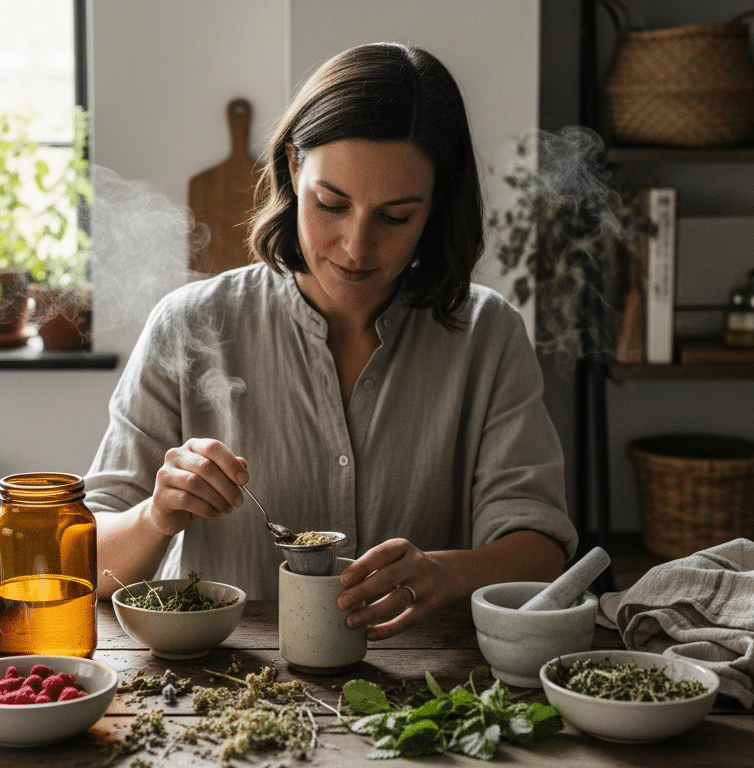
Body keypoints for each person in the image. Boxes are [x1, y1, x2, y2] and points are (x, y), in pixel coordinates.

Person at [85, 42, 577, 641]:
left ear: (438, 201)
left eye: (395, 217)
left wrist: (445, 574)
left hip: (423, 680)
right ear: (294, 168)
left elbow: (540, 549)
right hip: (225, 683)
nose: (355, 247)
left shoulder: (487, 335)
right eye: (331, 204)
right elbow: (89, 559)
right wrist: (156, 515)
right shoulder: (190, 324)